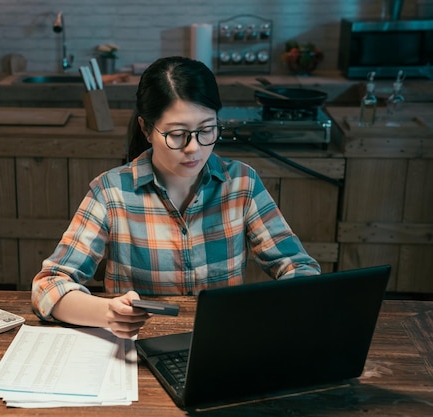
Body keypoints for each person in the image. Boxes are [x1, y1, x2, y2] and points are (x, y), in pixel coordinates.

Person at [31, 56, 320, 339]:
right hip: (139, 348)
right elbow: (49, 286)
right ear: (146, 129)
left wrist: (273, 309)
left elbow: (300, 268)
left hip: (220, 342)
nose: (194, 148)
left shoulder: (241, 183)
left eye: (207, 130)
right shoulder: (111, 192)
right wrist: (108, 312)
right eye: (177, 135)